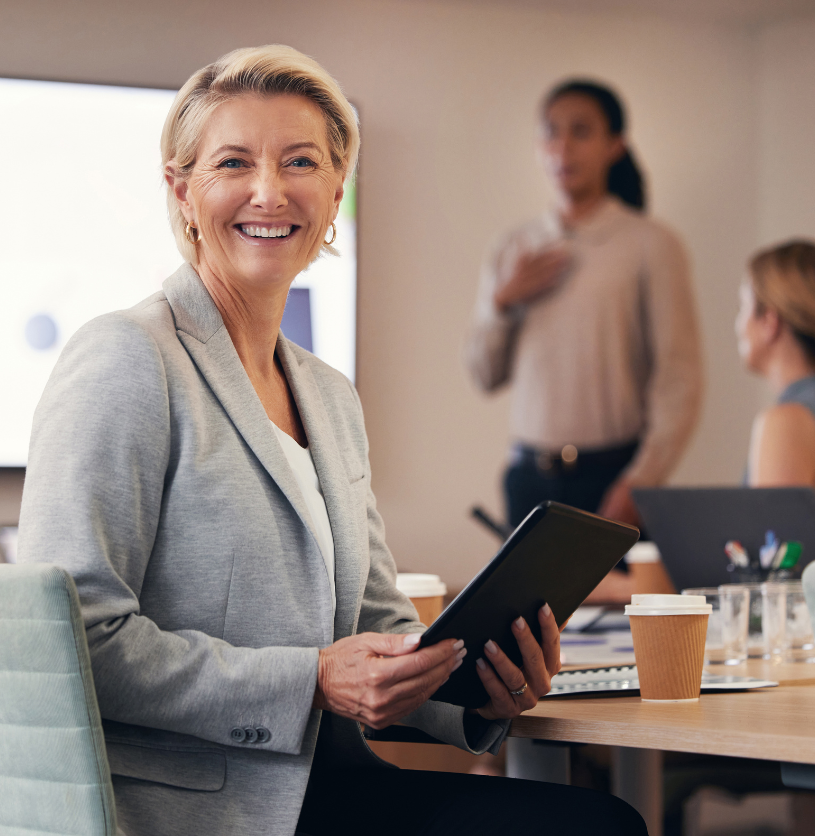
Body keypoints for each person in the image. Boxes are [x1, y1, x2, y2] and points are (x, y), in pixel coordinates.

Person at [17, 47, 646, 836]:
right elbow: (68, 643)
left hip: (333, 786)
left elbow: (379, 624)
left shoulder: (328, 394)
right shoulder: (127, 357)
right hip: (194, 811)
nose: (269, 191)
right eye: (233, 163)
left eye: (300, 162)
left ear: (335, 191)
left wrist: (476, 682)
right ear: (181, 191)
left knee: (599, 822)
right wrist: (310, 681)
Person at [466, 79, 702, 600]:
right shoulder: (514, 247)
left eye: (581, 132)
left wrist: (640, 482)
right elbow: (483, 374)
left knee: (623, 636)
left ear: (615, 144)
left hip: (614, 480)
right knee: (524, 634)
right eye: (551, 133)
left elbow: (679, 380)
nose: (563, 147)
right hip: (528, 481)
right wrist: (504, 301)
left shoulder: (650, 244)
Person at [736, 240, 815, 486]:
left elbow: (771, 526)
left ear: (770, 322)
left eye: (744, 306)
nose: (739, 324)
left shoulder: (786, 422)